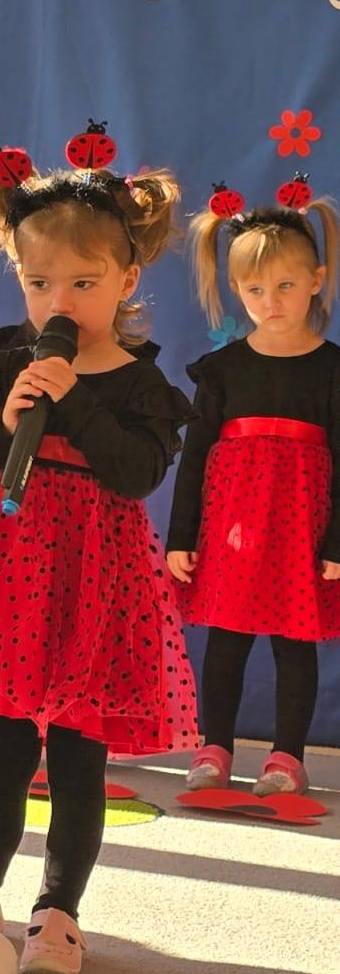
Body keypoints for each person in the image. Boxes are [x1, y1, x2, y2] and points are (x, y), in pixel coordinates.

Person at [0, 159, 197, 974]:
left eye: (81, 283)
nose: (57, 303)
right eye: (38, 284)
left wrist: (74, 398)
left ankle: (58, 911)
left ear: (126, 280)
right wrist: (7, 417)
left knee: (77, 755)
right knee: (0, 747)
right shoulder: (3, 362)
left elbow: (134, 475)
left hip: (91, 584)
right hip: (5, 574)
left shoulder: (140, 383)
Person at [167, 184, 340, 796]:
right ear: (237, 290)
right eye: (255, 289)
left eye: (286, 285)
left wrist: (336, 542)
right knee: (227, 640)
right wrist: (182, 537)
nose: (271, 301)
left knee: (295, 644)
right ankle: (214, 748)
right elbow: (194, 460)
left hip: (301, 533)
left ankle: (287, 757)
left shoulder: (333, 370)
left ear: (316, 280)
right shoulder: (222, 370)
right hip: (233, 532)